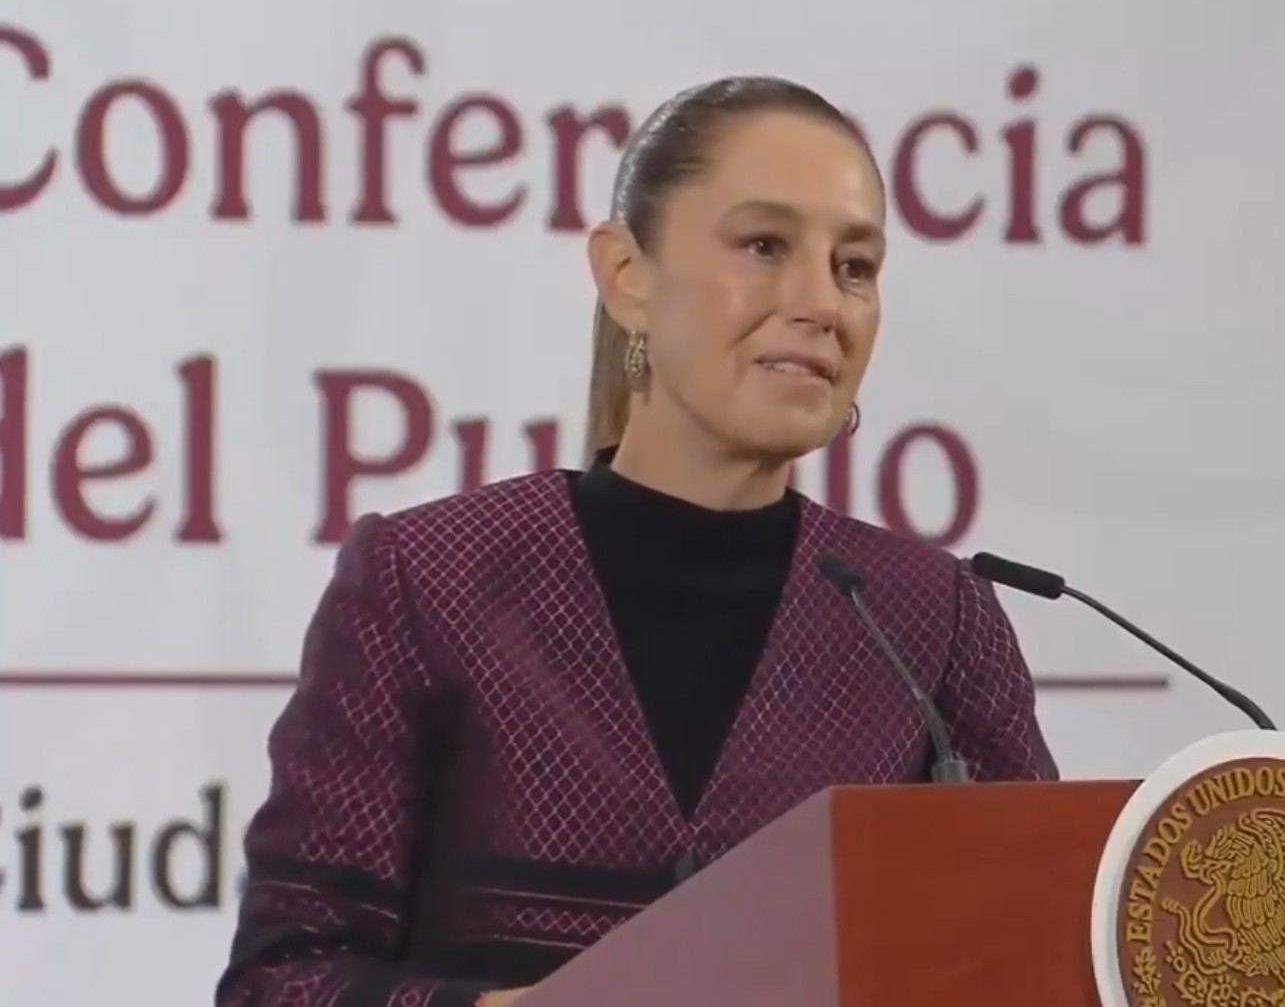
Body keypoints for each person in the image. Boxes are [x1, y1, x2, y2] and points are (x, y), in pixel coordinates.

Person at [214, 76, 1059, 1007]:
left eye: (855, 266)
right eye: (765, 245)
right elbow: (283, 981)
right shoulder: (430, 580)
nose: (823, 301)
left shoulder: (932, 622)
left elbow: (1036, 963)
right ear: (627, 276)